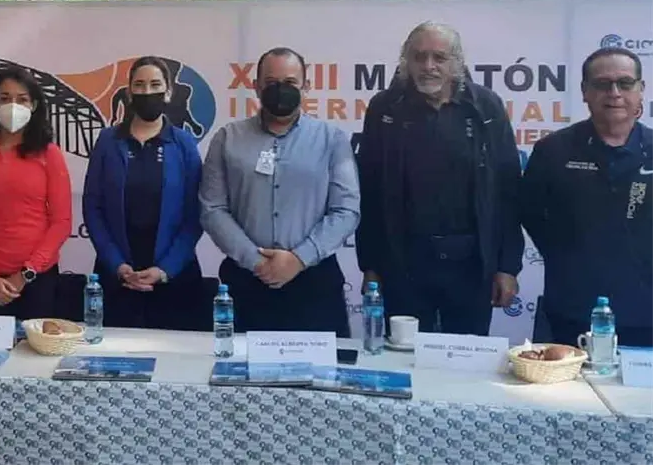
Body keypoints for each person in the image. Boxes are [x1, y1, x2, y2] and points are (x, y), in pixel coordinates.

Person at [356, 22, 522, 336]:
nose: (428, 66)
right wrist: (371, 266)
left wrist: (507, 267)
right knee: (403, 357)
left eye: (439, 58)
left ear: (456, 63)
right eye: (419, 57)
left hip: (471, 265)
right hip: (402, 265)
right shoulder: (384, 108)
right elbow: (369, 190)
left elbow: (508, 190)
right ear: (406, 61)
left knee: (466, 357)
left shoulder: (486, 107)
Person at [200, 47, 359, 335]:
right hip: (246, 283)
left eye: (290, 82)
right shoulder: (227, 139)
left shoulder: (332, 140)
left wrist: (299, 259)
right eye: (271, 82)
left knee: (321, 365)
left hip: (315, 284)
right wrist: (256, 261)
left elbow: (346, 210)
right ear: (256, 86)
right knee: (238, 363)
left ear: (306, 87)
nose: (280, 89)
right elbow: (213, 209)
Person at [521, 47, 652, 346]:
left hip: (647, 312)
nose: (614, 93)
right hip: (573, 308)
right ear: (585, 91)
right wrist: (569, 256)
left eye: (625, 83)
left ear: (641, 89)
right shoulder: (553, 150)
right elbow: (529, 212)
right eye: (603, 84)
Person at [83, 56, 204, 330]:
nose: (147, 92)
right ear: (129, 92)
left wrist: (165, 269)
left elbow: (195, 214)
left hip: (174, 280)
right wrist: (117, 264)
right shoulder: (108, 141)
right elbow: (93, 206)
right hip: (117, 278)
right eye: (139, 85)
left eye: (155, 85)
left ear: (168, 92)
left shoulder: (184, 144)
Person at [0, 67, 72, 319]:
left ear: (34, 105)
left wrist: (26, 273)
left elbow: (61, 222)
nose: (13, 106)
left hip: (37, 281)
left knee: (33, 345)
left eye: (22, 99)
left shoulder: (49, 154)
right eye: (5, 98)